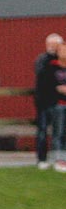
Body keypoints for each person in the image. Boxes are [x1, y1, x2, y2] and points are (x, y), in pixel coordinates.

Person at [34, 33, 63, 169]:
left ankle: (58, 159)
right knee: (42, 131)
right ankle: (42, 159)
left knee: (59, 132)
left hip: (59, 102)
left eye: (55, 45)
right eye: (50, 45)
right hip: (44, 101)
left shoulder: (62, 61)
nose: (52, 47)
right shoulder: (43, 60)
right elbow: (42, 75)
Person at [46, 41, 66, 172]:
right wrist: (58, 89)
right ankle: (57, 160)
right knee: (57, 132)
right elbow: (47, 85)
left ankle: (64, 159)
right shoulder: (51, 67)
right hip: (58, 104)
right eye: (62, 50)